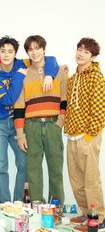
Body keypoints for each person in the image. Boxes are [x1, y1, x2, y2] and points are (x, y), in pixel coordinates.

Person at [0, 36, 60, 203]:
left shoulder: (21, 64)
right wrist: (19, 76)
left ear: (15, 53)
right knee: (1, 166)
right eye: (3, 51)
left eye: (10, 51)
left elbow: (49, 59)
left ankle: (18, 203)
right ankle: (5, 206)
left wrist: (50, 75)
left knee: (24, 165)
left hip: (19, 122)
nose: (6, 55)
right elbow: (8, 99)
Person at [14, 35, 67, 204]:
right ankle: (37, 207)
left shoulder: (58, 71)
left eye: (37, 48)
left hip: (53, 125)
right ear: (27, 52)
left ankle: (56, 207)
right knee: (33, 170)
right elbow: (19, 107)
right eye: (30, 49)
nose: (34, 52)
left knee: (56, 169)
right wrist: (20, 135)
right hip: (32, 126)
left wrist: (60, 122)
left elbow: (65, 100)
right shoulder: (22, 75)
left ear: (44, 49)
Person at [64, 37, 105, 231]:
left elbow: (99, 110)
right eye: (79, 49)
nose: (81, 54)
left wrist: (90, 136)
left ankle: (99, 218)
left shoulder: (96, 76)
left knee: (90, 180)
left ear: (93, 56)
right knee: (76, 179)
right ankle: (86, 213)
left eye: (86, 52)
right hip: (72, 135)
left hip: (88, 136)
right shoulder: (74, 78)